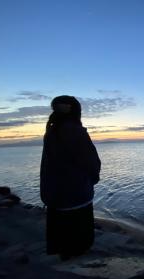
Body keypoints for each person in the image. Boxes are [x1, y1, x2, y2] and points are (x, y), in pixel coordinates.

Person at [40, 95, 101, 260]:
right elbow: (90, 160)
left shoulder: (51, 131)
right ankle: (76, 256)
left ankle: (63, 253)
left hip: (55, 192)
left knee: (62, 228)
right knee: (78, 232)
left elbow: (47, 164)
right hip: (76, 191)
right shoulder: (74, 130)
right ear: (75, 110)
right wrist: (94, 178)